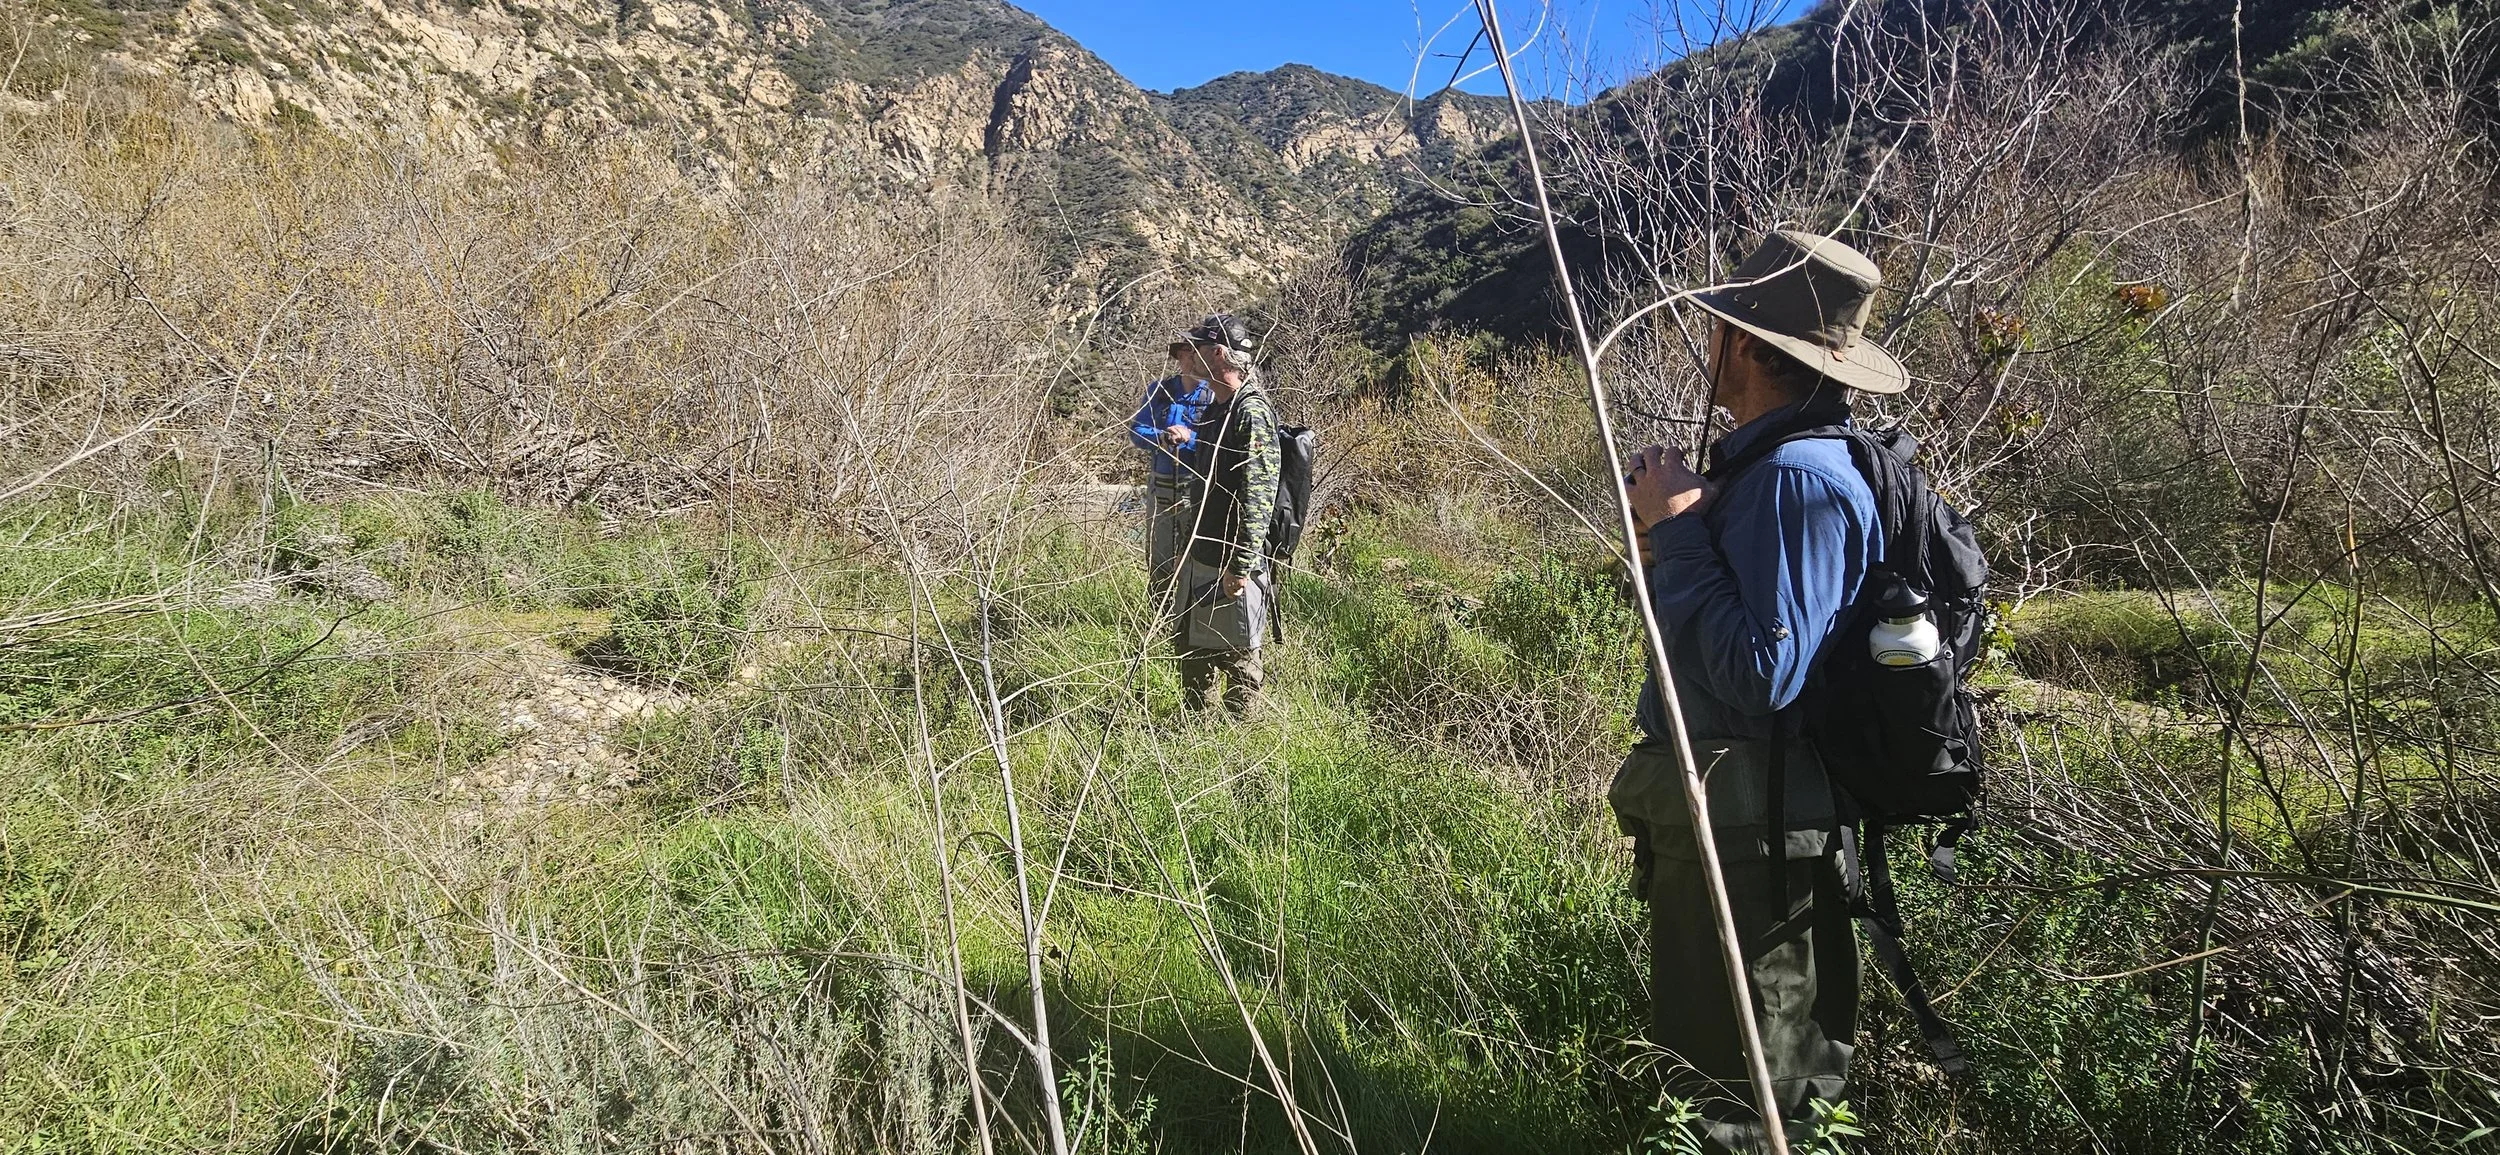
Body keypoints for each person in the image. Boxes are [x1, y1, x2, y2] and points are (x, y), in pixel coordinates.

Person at [1611, 230, 1912, 1153]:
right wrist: (1675, 538)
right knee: (1714, 1071)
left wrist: (1683, 530)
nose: (1711, 344)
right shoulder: (1761, 468)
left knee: (1749, 1099)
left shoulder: (1797, 480)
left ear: (1746, 346)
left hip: (1759, 841)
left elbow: (1763, 672)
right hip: (1733, 825)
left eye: (1723, 328)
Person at [1166, 314, 1278, 714]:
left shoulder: (1250, 413)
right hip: (1202, 557)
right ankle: (1194, 745)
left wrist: (1242, 565)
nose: (1185, 357)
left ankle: (1243, 757)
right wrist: (1186, 548)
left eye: (1193, 347)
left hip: (1231, 564)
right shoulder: (1217, 408)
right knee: (1192, 660)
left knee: (1240, 667)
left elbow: (1258, 496)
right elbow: (1203, 489)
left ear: (1215, 353)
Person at [1129, 342, 1216, 609]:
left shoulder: (1213, 396)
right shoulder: (1160, 391)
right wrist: (1163, 438)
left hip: (1197, 489)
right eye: (1191, 353)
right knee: (1159, 559)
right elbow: (1136, 432)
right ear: (1180, 357)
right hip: (1162, 488)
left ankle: (1190, 619)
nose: (1196, 358)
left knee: (1195, 557)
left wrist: (1190, 439)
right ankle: (1158, 616)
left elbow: (1218, 443)